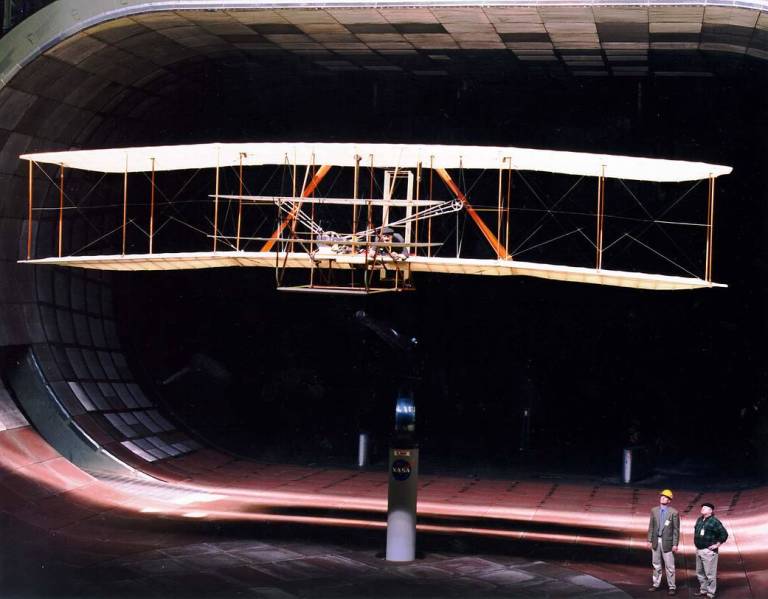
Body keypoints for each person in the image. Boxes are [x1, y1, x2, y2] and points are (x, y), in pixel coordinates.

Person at [647, 489, 680, 595]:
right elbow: (651, 526)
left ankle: (672, 587)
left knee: (670, 566)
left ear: (669, 500)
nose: (663, 498)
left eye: (666, 497)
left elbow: (676, 529)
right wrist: (649, 540)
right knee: (656, 564)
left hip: (668, 542)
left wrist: (675, 544)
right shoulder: (654, 510)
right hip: (656, 541)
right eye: (662, 496)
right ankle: (656, 584)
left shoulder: (673, 512)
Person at [694, 502, 728, 598]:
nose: (702, 509)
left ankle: (710, 593)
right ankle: (703, 590)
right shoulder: (699, 520)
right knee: (699, 572)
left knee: (710, 574)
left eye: (705, 508)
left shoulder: (714, 521)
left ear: (710, 510)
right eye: (702, 507)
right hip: (699, 550)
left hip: (708, 552)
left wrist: (717, 545)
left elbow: (724, 534)